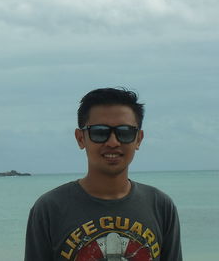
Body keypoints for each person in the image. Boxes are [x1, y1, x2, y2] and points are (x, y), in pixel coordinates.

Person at [24, 87, 182, 261]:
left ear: (138, 139)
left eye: (125, 132)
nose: (113, 142)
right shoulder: (49, 209)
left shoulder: (160, 206)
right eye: (99, 132)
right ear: (80, 138)